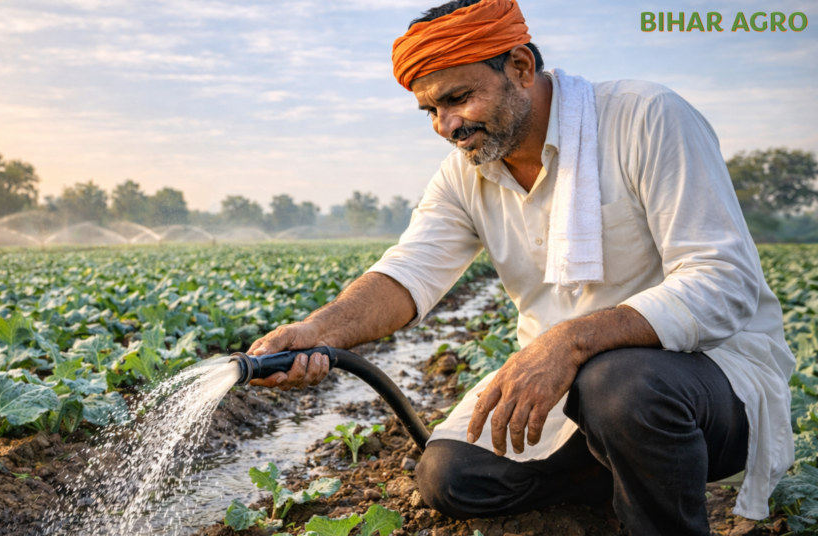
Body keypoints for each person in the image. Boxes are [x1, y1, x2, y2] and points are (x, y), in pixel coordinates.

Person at [245, 0, 794, 534]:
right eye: (431, 111)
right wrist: (317, 330)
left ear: (521, 67)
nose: (447, 125)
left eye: (459, 99)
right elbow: (408, 273)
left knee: (619, 383)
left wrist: (571, 342)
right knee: (449, 478)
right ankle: (620, 480)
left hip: (707, 384)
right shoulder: (466, 172)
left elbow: (722, 280)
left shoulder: (645, 117)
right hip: (568, 391)